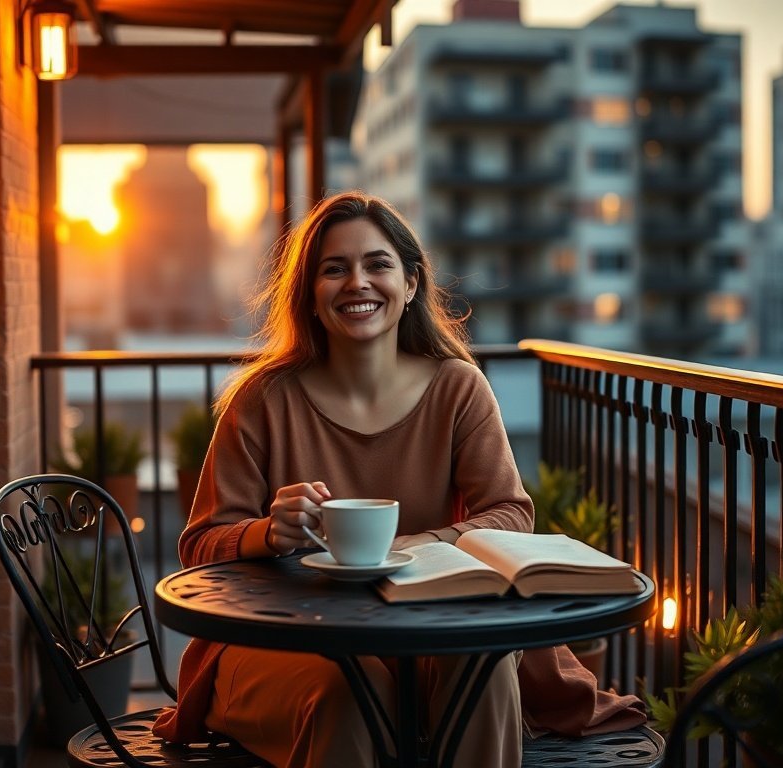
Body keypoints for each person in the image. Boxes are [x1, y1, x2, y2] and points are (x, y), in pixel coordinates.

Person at [153, 191, 533, 767]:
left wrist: (413, 547)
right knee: (348, 692)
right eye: (334, 269)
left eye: (377, 264)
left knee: (484, 664)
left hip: (422, 629)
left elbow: (510, 514)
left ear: (410, 285)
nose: (357, 282)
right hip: (282, 641)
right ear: (309, 294)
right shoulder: (262, 400)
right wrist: (267, 534)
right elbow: (199, 549)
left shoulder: (458, 388)